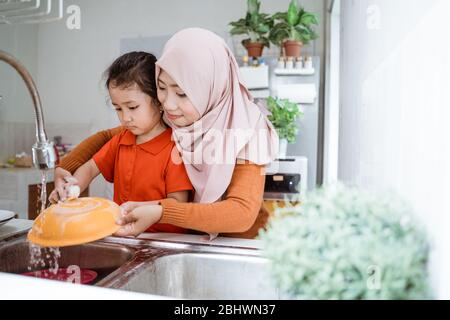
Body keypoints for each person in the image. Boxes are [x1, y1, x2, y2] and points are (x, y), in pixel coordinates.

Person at [52, 28, 278, 239]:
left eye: (182, 93)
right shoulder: (178, 116)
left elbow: (240, 213)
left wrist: (162, 211)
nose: (169, 104)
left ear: (211, 88)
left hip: (241, 244)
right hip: (190, 241)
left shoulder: (249, 131)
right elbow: (109, 137)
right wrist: (66, 167)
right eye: (161, 87)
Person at [49, 51, 193, 234]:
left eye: (133, 107)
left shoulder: (175, 148)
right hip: (125, 236)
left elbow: (178, 203)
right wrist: (71, 188)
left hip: (165, 240)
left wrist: (140, 209)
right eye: (118, 108)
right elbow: (90, 168)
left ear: (159, 101)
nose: (125, 117)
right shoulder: (121, 140)